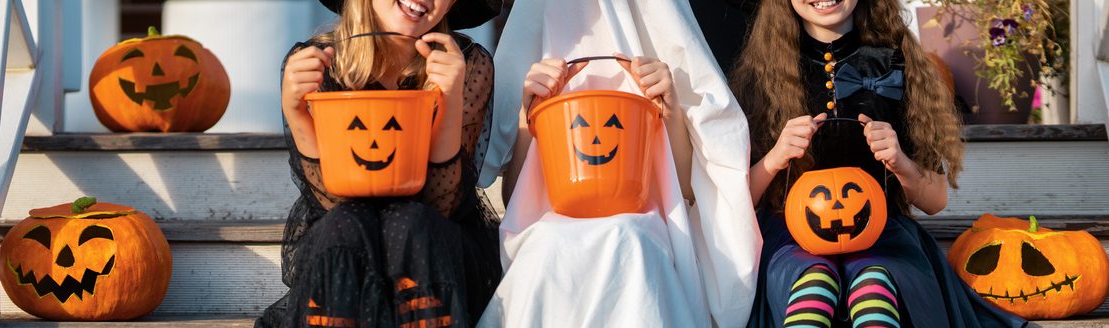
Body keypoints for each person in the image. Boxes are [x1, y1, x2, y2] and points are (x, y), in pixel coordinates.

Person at [729, 0, 1027, 326]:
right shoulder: (759, 77)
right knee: (812, 282)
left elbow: (936, 201)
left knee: (874, 284)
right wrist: (774, 158)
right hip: (791, 238)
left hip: (881, 235)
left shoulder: (897, 66)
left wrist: (901, 162)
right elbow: (734, 203)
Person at [476, 0, 760, 326]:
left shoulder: (661, 27)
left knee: (629, 240)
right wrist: (529, 117)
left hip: (643, 225)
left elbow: (684, 191)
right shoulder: (543, 21)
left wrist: (670, 111)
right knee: (549, 247)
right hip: (551, 229)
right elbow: (517, 198)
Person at [256, 0, 501, 326]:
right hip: (346, 230)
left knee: (411, 221)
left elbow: (442, 204)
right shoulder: (319, 63)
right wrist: (297, 112)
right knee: (346, 221)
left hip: (433, 240)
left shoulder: (467, 64)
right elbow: (332, 201)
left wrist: (449, 99)